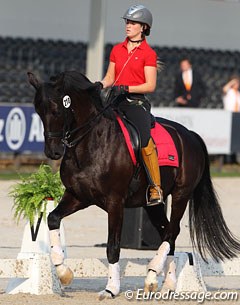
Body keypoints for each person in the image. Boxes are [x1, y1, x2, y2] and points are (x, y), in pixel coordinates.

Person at [100, 4, 163, 206]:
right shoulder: (116, 49)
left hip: (136, 103)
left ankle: (155, 188)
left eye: (133, 22)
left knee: (144, 141)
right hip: (114, 101)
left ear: (143, 27)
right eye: (127, 21)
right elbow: (109, 77)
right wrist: (97, 85)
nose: (128, 25)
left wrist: (126, 88)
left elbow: (150, 85)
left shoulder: (148, 53)